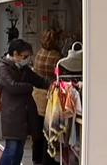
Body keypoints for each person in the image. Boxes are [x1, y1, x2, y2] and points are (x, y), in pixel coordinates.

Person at [0, 39, 51, 165]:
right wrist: (29, 87)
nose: (27, 59)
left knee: (20, 148)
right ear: (15, 54)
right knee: (11, 148)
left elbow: (38, 80)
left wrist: (54, 84)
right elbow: (12, 86)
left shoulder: (24, 69)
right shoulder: (4, 67)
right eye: (25, 56)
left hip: (25, 113)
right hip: (12, 114)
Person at [32, 28, 63, 165]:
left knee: (37, 131)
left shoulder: (39, 54)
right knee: (48, 132)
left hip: (37, 95)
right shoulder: (58, 57)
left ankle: (36, 158)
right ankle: (47, 160)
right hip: (50, 96)